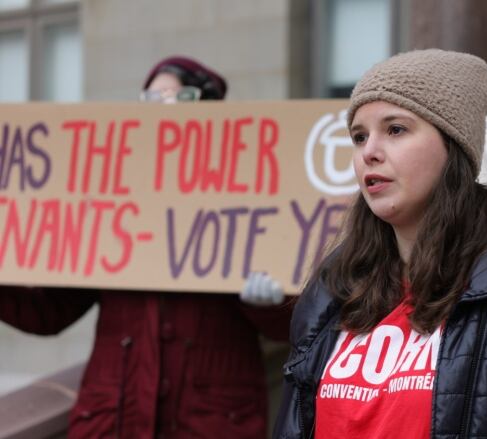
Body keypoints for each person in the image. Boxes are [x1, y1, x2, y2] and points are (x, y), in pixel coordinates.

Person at [274, 49, 487, 439]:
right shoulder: (333, 287)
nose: (369, 152)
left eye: (395, 129)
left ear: (454, 147)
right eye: (359, 136)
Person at [0, 56, 290, 439]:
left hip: (209, 424)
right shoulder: (110, 202)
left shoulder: (252, 202)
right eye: (152, 99)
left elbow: (293, 326)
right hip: (114, 422)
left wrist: (267, 301)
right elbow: (51, 311)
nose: (165, 109)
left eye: (181, 96)